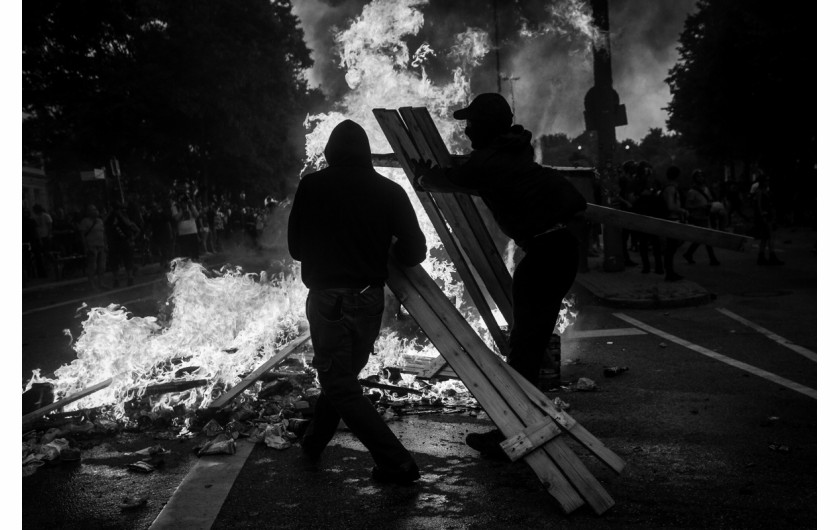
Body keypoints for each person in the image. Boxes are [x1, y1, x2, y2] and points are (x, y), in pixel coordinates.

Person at [411, 92, 587, 458]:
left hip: (544, 255)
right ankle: (524, 422)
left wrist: (425, 177)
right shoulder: (514, 153)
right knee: (529, 347)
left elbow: (452, 179)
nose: (467, 130)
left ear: (487, 126)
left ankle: (511, 431)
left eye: (472, 123)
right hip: (557, 251)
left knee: (523, 349)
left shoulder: (489, 162)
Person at [288, 119, 427, 485]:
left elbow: (295, 249)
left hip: (327, 300)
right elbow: (415, 252)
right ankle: (313, 443)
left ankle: (397, 462)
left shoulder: (312, 186)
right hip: (368, 300)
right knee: (343, 379)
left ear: (330, 152)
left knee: (339, 384)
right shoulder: (389, 191)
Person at [682, 169, 721, 266]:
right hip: (697, 217)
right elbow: (688, 206)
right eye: (698, 176)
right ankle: (712, 258)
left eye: (701, 176)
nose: (700, 178)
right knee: (706, 236)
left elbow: (710, 200)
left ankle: (689, 254)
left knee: (701, 237)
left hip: (706, 215)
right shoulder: (692, 191)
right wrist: (700, 207)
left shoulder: (706, 189)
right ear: (694, 178)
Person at [631, 162, 664, 275]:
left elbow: (659, 193)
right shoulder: (638, 182)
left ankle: (656, 267)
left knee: (653, 242)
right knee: (645, 242)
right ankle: (648, 267)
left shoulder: (653, 181)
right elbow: (634, 197)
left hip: (651, 213)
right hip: (643, 213)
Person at [661, 166, 688, 281]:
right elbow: (671, 206)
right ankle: (669, 273)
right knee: (671, 248)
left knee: (672, 248)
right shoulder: (671, 189)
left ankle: (670, 271)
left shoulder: (670, 188)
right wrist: (682, 210)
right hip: (672, 220)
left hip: (673, 219)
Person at [105, 202, 140, 287]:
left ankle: (130, 277)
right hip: (114, 242)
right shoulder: (110, 219)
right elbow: (104, 224)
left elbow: (133, 227)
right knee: (114, 261)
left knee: (128, 260)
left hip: (125, 241)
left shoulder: (124, 217)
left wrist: (132, 238)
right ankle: (116, 279)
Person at [751, 173, 783, 265]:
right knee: (769, 236)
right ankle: (771, 256)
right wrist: (763, 215)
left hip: (766, 215)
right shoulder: (760, 192)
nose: (767, 182)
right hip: (765, 217)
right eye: (766, 181)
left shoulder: (764, 191)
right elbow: (759, 205)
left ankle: (761, 256)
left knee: (765, 237)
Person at [78, 204, 107, 290]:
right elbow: (82, 235)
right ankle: (91, 284)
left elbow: (103, 233)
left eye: (95, 209)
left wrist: (105, 244)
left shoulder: (100, 221)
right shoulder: (85, 221)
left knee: (102, 266)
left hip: (101, 245)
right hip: (91, 246)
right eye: (92, 210)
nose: (95, 211)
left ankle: (101, 282)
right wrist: (86, 247)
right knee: (92, 267)